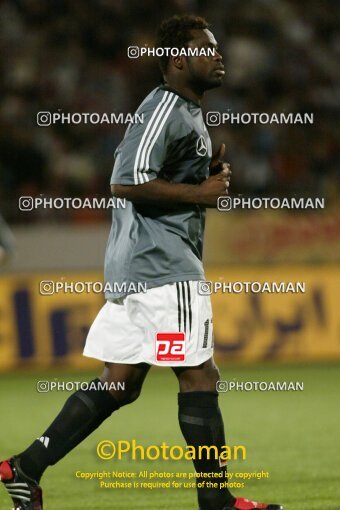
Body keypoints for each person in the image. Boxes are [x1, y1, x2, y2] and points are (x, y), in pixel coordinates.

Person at [0, 15, 283, 510]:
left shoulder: (187, 112)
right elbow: (125, 182)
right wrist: (203, 191)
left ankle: (25, 467)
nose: (219, 56)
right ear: (178, 60)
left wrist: (205, 172)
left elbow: (157, 176)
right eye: (206, 48)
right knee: (200, 376)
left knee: (121, 383)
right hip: (163, 269)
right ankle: (217, 503)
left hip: (142, 271)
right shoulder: (165, 107)